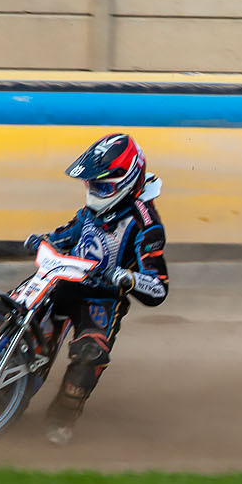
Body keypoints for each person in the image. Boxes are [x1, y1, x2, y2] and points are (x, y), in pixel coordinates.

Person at [29, 133, 168, 444]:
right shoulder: (90, 211)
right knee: (2, 314)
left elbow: (159, 287)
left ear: (126, 181)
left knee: (90, 352)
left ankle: (62, 416)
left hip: (101, 299)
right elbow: (67, 232)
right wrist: (44, 240)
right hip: (61, 281)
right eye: (91, 185)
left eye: (102, 186)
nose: (94, 194)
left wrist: (126, 278)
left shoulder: (147, 225)